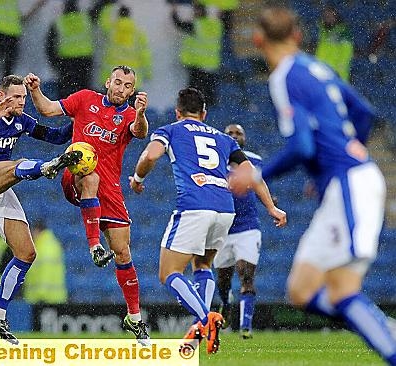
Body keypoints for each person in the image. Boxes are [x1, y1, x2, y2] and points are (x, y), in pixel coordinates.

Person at [229, 6, 396, 364]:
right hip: (345, 181)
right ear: (298, 35)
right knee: (301, 291)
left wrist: (256, 176)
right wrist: (329, 168)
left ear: (258, 39)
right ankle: (381, 326)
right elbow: (364, 114)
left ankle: (388, 340)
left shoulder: (284, 76)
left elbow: (302, 146)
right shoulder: (317, 68)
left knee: (342, 291)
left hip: (351, 184)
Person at [129, 88, 286, 354]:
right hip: (225, 209)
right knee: (203, 265)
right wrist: (272, 207)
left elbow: (151, 156)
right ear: (204, 114)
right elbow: (252, 176)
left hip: (194, 205)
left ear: (177, 112)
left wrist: (138, 179)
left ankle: (206, 319)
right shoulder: (225, 139)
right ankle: (197, 333)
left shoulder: (170, 130)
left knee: (169, 273)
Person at [25, 65, 151, 345]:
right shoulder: (84, 99)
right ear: (108, 81)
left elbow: (140, 133)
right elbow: (47, 109)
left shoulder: (130, 115)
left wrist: (141, 112)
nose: (121, 89)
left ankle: (134, 317)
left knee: (122, 251)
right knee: (87, 168)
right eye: (118, 82)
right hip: (76, 177)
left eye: (127, 86)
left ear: (132, 91)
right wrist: (35, 90)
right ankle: (94, 245)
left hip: (111, 190)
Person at [0, 74, 82, 344]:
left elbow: (54, 135)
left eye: (24, 97)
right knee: (19, 164)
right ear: (2, 96)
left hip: (0, 187)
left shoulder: (22, 121)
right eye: (16, 97)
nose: (22, 101)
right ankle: (45, 168)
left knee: (26, 253)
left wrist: (77, 123)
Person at [213, 123, 280, 339]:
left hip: (247, 227)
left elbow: (263, 187)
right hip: (222, 228)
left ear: (244, 137)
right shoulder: (214, 160)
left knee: (246, 275)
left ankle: (246, 326)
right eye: (230, 133)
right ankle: (226, 303)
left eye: (238, 133)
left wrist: (271, 203)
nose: (234, 136)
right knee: (223, 281)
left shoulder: (254, 161)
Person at [172, 2, 223, 107]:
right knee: (209, 99)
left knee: (194, 98)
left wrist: (174, 12)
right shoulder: (216, 25)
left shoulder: (197, 25)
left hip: (199, 67)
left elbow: (179, 24)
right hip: (213, 66)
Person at [46, 0, 94, 98]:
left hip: (66, 62)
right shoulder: (85, 18)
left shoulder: (59, 22)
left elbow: (49, 46)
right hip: (84, 60)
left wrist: (55, 63)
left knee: (66, 93)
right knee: (83, 92)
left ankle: (65, 111)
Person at [99, 7, 152, 89]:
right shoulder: (138, 33)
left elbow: (102, 21)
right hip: (131, 79)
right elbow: (145, 54)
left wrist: (107, 7)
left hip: (112, 76)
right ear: (129, 15)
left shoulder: (111, 29)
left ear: (118, 15)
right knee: (130, 102)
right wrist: (148, 72)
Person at [23, 220, 67, 304]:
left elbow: (45, 273)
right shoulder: (48, 244)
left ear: (37, 231)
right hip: (51, 298)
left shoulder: (44, 247)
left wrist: (41, 295)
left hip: (46, 299)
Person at [314, 6, 353, 82]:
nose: (327, 17)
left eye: (330, 15)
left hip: (337, 74)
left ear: (336, 16)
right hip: (322, 71)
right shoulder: (322, 30)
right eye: (326, 15)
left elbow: (347, 51)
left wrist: (339, 69)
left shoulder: (343, 31)